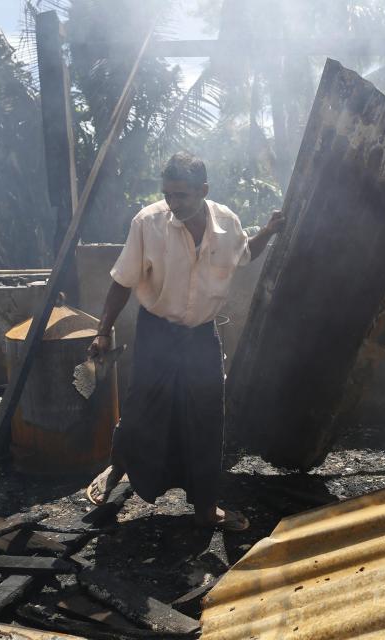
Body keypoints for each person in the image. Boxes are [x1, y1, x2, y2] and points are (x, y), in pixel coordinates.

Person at [85, 151, 285, 531]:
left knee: (209, 419)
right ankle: (118, 468)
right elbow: (122, 281)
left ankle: (206, 509)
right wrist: (103, 329)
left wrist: (270, 231)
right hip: (157, 334)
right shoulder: (148, 222)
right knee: (141, 412)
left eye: (183, 196)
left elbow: (244, 254)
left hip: (201, 338)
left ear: (203, 190)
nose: (174, 204)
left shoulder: (227, 223)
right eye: (168, 195)